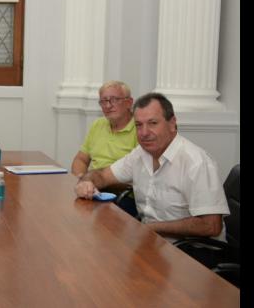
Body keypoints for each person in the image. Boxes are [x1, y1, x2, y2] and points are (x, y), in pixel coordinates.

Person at [74, 93, 229, 242]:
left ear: (172, 123)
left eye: (153, 123)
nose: (144, 133)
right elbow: (101, 175)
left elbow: (210, 225)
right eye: (138, 125)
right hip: (150, 240)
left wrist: (150, 228)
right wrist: (86, 182)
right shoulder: (141, 154)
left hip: (191, 252)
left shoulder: (196, 162)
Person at [71, 80, 138, 216]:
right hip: (92, 189)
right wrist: (83, 179)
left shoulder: (140, 129)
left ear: (129, 103)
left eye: (114, 100)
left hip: (122, 196)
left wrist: (97, 181)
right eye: (103, 101)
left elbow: (138, 177)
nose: (108, 105)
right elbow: (81, 159)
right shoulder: (98, 125)